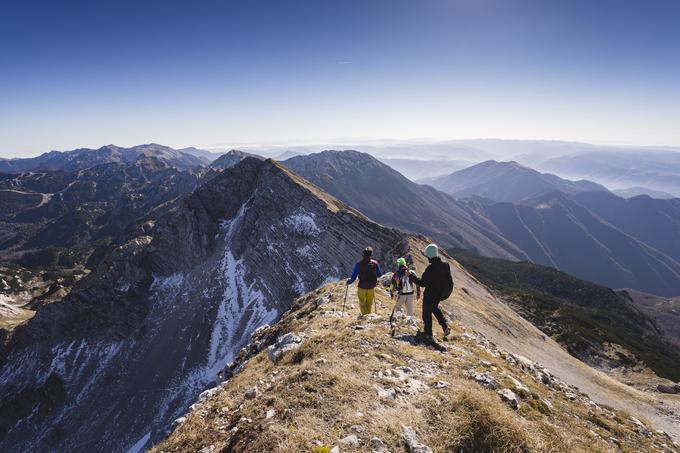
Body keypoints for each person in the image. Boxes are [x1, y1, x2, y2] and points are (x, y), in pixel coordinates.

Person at [411, 243, 452, 341]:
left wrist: (411, 276)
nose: (427, 258)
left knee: (426, 314)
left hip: (430, 295)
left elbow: (422, 283)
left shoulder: (430, 269)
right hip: (440, 294)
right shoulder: (446, 265)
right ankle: (445, 326)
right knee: (434, 308)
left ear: (429, 256)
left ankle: (428, 334)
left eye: (427, 256)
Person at [346, 246, 382, 315]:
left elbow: (354, 276)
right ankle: (368, 316)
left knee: (362, 303)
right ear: (371, 255)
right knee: (369, 303)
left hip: (362, 287)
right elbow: (379, 274)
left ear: (363, 254)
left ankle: (365, 317)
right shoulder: (375, 263)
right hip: (371, 287)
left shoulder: (359, 264)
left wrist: (349, 282)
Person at [389, 257, 420, 323]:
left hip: (401, 294)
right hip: (410, 294)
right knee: (410, 310)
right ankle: (409, 322)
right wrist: (418, 293)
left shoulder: (396, 274)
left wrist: (391, 293)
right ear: (404, 263)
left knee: (398, 307)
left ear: (399, 265)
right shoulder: (411, 272)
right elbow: (417, 283)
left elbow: (392, 284)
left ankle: (398, 321)